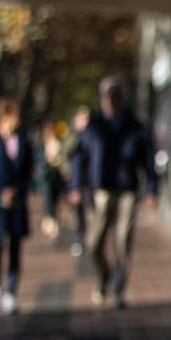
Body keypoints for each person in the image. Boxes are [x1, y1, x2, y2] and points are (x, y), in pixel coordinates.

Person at [69, 76, 158, 308]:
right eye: (108, 96)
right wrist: (76, 186)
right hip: (101, 190)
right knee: (93, 242)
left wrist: (151, 190)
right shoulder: (94, 126)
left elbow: (148, 161)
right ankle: (104, 276)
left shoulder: (135, 126)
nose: (112, 101)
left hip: (127, 190)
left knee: (122, 241)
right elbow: (80, 158)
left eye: (117, 96)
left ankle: (118, 289)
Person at [0, 99, 34, 316]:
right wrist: (2, 191)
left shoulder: (24, 140)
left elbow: (28, 170)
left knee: (15, 247)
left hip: (17, 201)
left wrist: (16, 190)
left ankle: (11, 291)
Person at [62, 106, 92, 257]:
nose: (84, 122)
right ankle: (79, 239)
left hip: (92, 182)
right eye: (81, 119)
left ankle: (89, 239)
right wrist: (73, 185)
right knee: (79, 213)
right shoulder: (73, 139)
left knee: (91, 211)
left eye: (86, 119)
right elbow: (68, 160)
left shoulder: (94, 137)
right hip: (77, 181)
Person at [36, 120, 65, 240]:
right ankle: (49, 221)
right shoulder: (42, 145)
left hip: (56, 176)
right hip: (47, 177)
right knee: (48, 199)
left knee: (55, 198)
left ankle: (53, 220)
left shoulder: (58, 142)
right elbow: (39, 161)